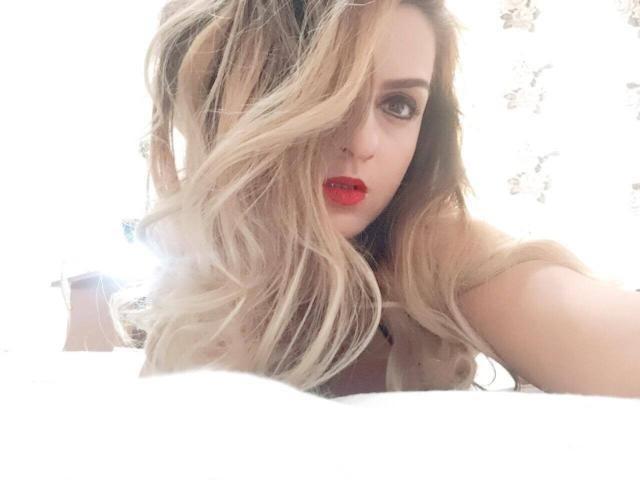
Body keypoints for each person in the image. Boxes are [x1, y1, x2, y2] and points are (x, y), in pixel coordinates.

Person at [110, 0, 640, 399]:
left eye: (399, 105)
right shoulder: (192, 268)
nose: (362, 143)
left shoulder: (434, 254)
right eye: (326, 91)